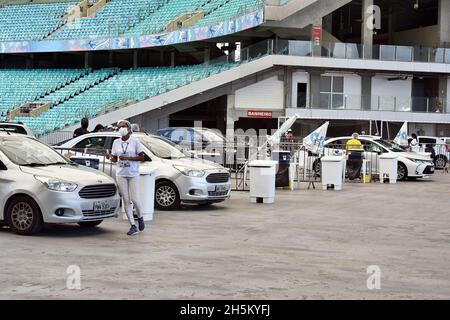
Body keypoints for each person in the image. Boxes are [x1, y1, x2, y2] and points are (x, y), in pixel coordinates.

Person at [107, 120, 146, 236]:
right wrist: (110, 157)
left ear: (129, 129)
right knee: (126, 200)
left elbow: (142, 157)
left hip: (133, 173)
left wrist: (128, 159)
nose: (121, 128)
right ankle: (133, 225)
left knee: (135, 200)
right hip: (121, 173)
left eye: (123, 126)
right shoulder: (116, 142)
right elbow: (115, 158)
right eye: (119, 127)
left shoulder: (135, 142)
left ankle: (140, 216)